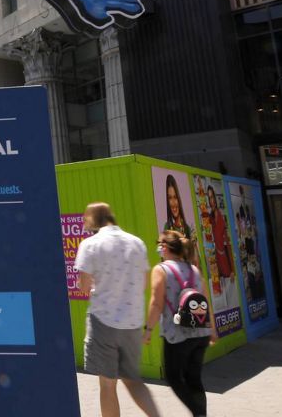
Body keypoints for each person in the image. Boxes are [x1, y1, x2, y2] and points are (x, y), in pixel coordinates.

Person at [74, 203, 160, 417]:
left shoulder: (90, 244)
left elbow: (83, 286)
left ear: (94, 219)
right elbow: (142, 284)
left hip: (103, 321)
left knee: (108, 385)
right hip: (131, 323)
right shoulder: (137, 243)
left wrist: (96, 286)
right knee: (134, 382)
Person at [145, 230, 218, 417]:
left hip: (177, 335)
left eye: (159, 245)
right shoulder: (193, 270)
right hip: (200, 333)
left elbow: (156, 302)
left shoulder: (161, 269)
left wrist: (148, 330)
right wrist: (212, 329)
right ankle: (200, 413)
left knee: (173, 377)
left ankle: (198, 413)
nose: (158, 248)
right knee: (194, 378)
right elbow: (206, 300)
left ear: (166, 248)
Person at [162, 176, 193, 240]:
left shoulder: (187, 229)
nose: (173, 203)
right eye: (170, 198)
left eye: (175, 197)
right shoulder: (167, 227)